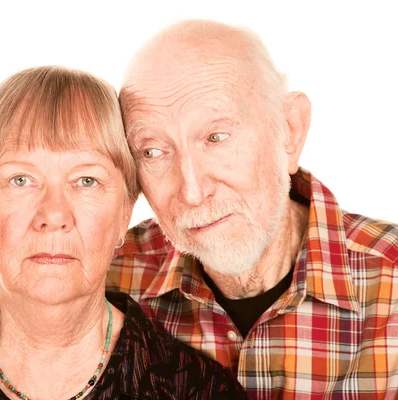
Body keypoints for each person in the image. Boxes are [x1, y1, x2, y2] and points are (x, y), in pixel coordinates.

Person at [0, 66, 246, 399]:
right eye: (21, 179)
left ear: (125, 212)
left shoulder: (199, 389)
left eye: (87, 180)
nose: (54, 214)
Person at [108, 20, 398, 398]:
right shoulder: (107, 283)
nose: (193, 192)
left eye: (216, 137)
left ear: (290, 131)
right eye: (153, 151)